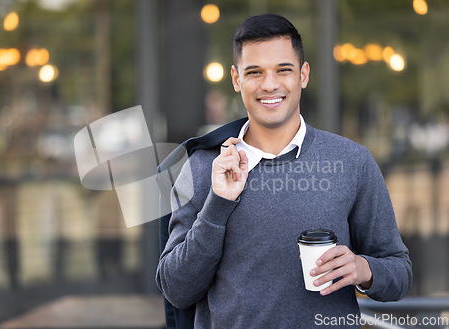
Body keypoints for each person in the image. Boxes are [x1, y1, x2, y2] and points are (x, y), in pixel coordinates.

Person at [155, 13, 412, 329]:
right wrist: (218, 203)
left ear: (303, 74)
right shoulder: (202, 168)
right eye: (254, 72)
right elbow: (176, 290)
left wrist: (363, 269)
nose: (270, 84)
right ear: (237, 79)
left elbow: (400, 273)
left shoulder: (352, 162)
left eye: (283, 70)